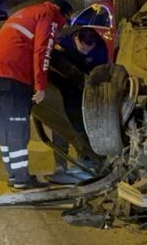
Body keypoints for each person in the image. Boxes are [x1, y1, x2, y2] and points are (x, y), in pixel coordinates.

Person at [0, 0, 72, 190]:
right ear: (63, 14)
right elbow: (42, 52)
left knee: (5, 125)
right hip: (12, 74)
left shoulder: (28, 11)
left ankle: (14, 174)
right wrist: (40, 85)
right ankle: (22, 178)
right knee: (18, 126)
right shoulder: (50, 15)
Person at [49, 27, 108, 183]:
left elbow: (101, 71)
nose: (86, 53)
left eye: (89, 51)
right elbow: (53, 62)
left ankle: (86, 159)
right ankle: (60, 164)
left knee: (84, 124)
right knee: (60, 123)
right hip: (60, 84)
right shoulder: (62, 41)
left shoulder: (99, 47)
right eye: (82, 49)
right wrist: (76, 75)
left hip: (84, 89)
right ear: (76, 40)